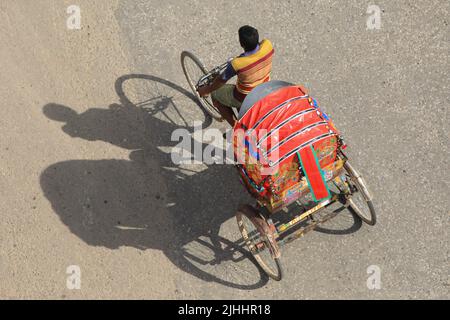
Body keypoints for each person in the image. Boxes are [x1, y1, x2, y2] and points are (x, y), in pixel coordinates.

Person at [197, 25, 274, 127]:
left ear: (241, 44)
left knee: (215, 93)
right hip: (264, 90)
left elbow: (221, 80)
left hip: (244, 97)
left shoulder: (237, 64)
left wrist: (206, 90)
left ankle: (236, 128)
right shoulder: (268, 45)